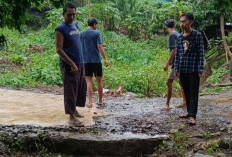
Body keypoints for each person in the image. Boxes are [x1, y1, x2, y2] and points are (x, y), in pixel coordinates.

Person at [54, 2, 86, 127]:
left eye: (73, 14)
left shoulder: (74, 25)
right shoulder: (60, 29)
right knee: (70, 90)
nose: (71, 17)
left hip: (79, 62)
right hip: (69, 65)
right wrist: (72, 64)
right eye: (69, 15)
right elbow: (59, 49)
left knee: (78, 88)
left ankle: (74, 110)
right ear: (63, 14)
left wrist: (79, 62)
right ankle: (71, 118)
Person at [174, 13, 205, 125]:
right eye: (181, 21)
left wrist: (201, 68)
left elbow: (201, 53)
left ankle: (193, 115)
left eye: (184, 21)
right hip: (183, 69)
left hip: (193, 68)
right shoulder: (179, 37)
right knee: (186, 92)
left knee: (193, 92)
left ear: (191, 22)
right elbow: (177, 54)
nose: (181, 24)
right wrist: (176, 68)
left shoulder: (197, 35)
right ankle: (189, 112)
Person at [80, 17, 109, 108]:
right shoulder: (97, 33)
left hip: (86, 61)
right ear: (94, 24)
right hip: (96, 61)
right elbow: (99, 47)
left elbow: (80, 47)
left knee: (89, 81)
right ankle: (100, 100)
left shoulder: (82, 34)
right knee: (99, 81)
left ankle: (90, 102)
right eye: (97, 24)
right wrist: (105, 59)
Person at [162, 19, 186, 111]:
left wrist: (167, 63)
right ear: (174, 26)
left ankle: (167, 104)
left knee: (169, 82)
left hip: (176, 62)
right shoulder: (177, 34)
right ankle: (185, 101)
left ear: (166, 27)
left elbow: (174, 50)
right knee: (181, 82)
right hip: (180, 61)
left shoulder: (172, 35)